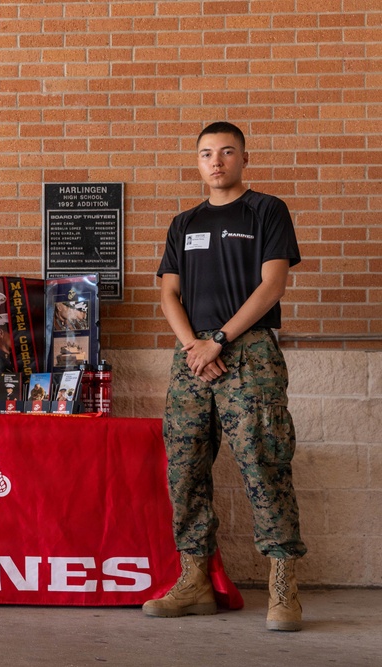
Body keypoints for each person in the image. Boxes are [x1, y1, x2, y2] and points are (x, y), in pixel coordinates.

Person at [146, 122, 305, 632]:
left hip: (249, 352)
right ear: (197, 162)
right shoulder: (183, 222)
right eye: (206, 154)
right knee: (185, 466)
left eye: (227, 152)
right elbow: (169, 293)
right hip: (191, 356)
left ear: (243, 159)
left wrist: (222, 340)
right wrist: (196, 345)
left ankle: (284, 589)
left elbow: (272, 285)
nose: (216, 162)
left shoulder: (266, 211)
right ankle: (194, 581)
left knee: (263, 463)